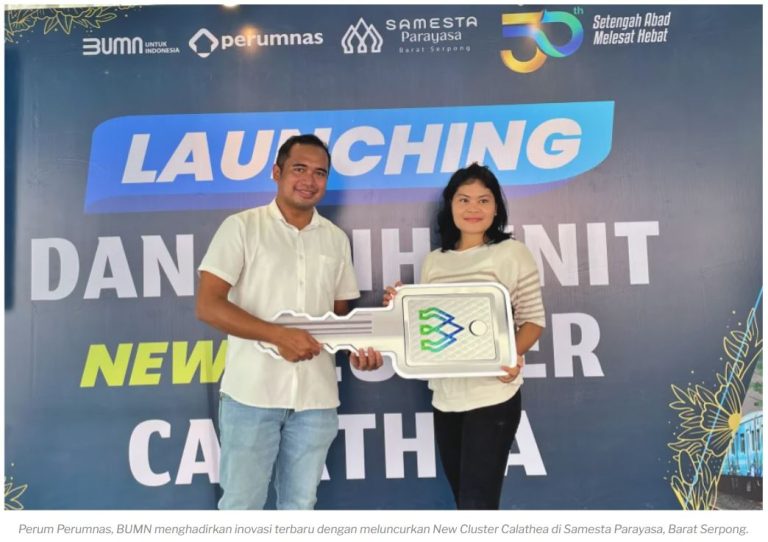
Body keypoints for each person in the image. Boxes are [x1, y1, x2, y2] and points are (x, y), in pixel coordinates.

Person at [196, 134, 382, 510]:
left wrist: (361, 348)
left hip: (315, 399)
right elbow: (208, 305)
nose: (309, 180)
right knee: (241, 508)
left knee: (299, 508)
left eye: (319, 173)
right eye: (299, 169)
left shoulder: (335, 240)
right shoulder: (242, 227)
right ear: (277, 173)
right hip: (251, 394)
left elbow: (340, 318)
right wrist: (277, 335)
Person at [383, 163, 545, 509]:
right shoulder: (434, 262)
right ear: (451, 205)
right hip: (446, 398)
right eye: (464, 199)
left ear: (496, 208)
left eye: (484, 200)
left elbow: (533, 320)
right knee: (464, 502)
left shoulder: (512, 253)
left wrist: (510, 357)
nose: (474, 208)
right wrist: (400, 306)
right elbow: (426, 328)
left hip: (492, 395)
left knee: (477, 504)